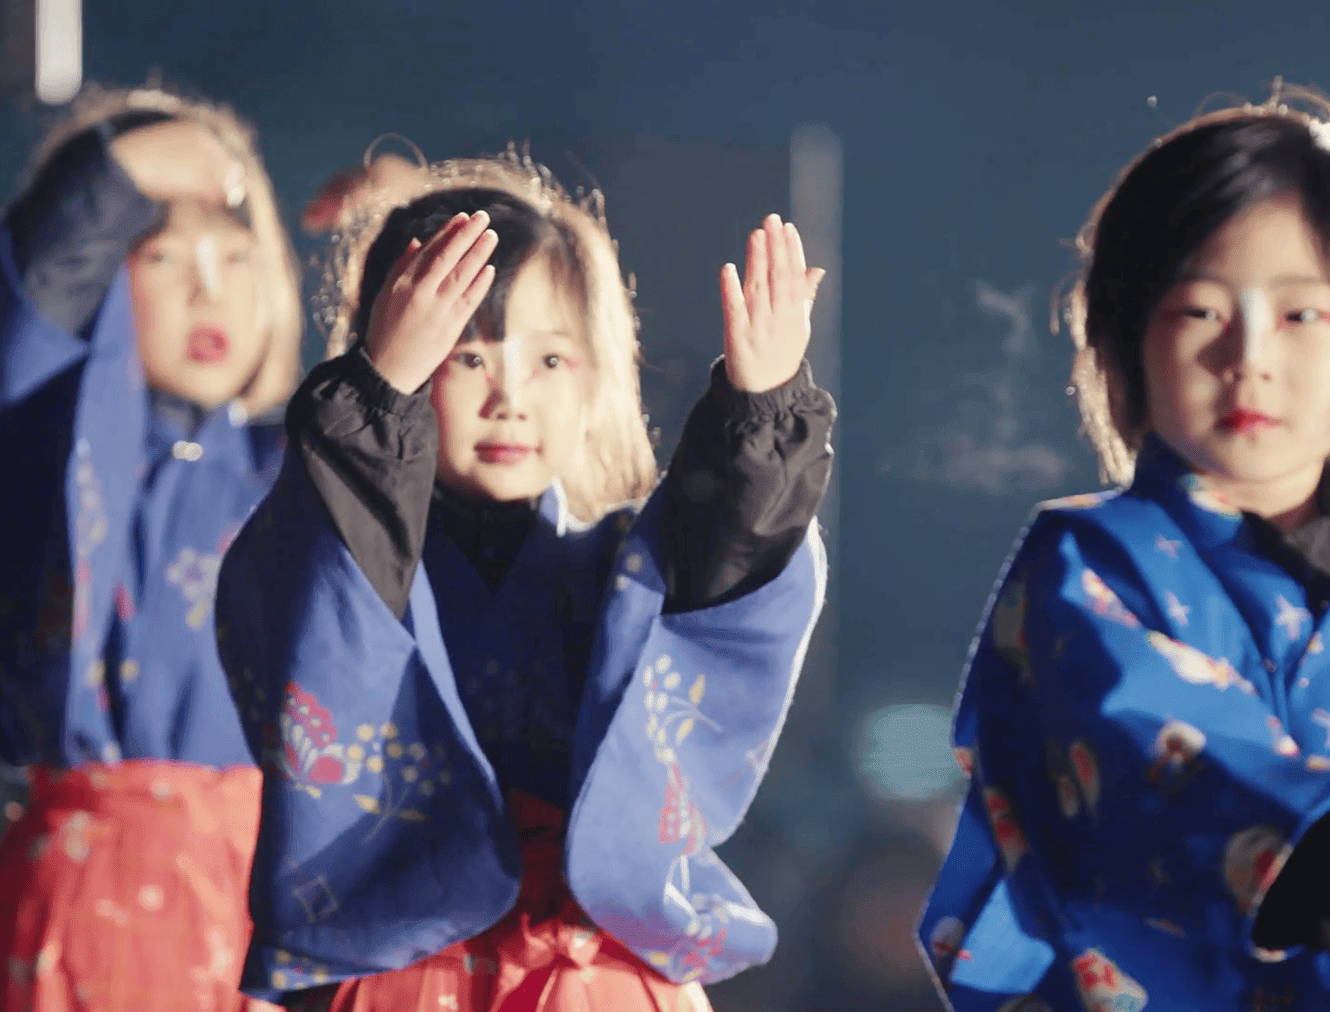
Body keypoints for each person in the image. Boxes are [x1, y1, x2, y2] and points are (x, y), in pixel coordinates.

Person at [213, 152, 835, 1010]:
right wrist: (377, 396)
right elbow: (317, 595)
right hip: (402, 971)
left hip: (599, 973)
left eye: (551, 360)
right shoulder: (340, 550)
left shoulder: (623, 566)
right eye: (467, 357)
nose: (511, 397)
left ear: (597, 376)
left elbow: (729, 569)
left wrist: (759, 410)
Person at [917, 82, 1330, 1011]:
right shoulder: (1088, 565)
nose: (1250, 357)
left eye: (1302, 314)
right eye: (1200, 312)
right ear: (1122, 339)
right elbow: (1166, 768)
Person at [0, 84, 302, 1010]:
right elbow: (37, 298)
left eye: (237, 257)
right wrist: (111, 174)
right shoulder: (60, 447)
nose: (210, 290)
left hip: (254, 909)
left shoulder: (290, 470)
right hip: (85, 896)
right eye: (163, 256)